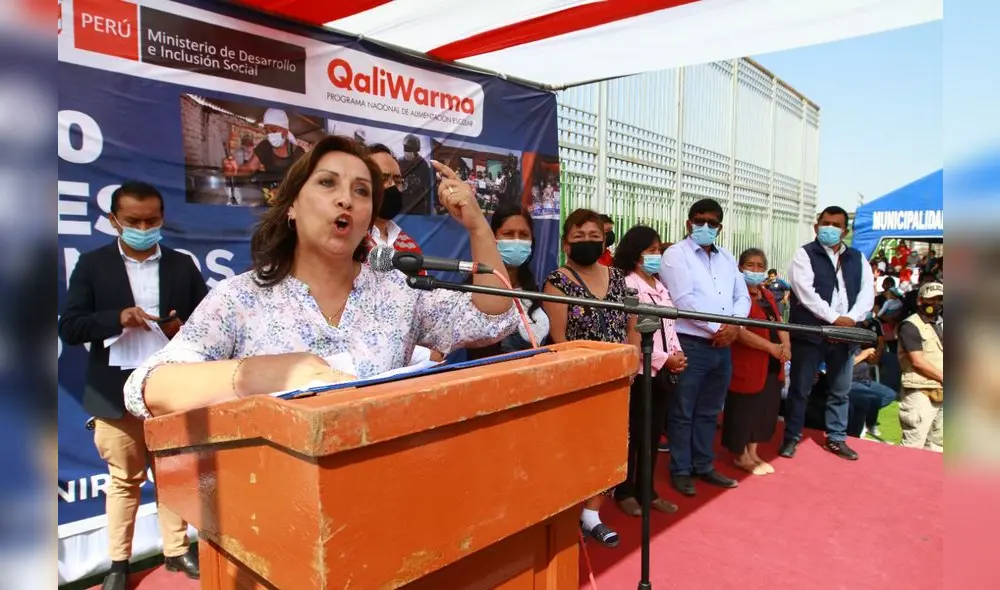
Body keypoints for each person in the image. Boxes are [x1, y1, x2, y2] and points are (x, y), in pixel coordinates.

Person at [122, 136, 517, 421]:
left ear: (367, 220)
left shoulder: (397, 292)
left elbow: (490, 316)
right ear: (292, 205)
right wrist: (258, 375)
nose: (346, 199)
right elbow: (148, 387)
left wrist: (478, 228)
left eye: (362, 191)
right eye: (328, 183)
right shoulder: (239, 299)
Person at [58, 181, 208, 590]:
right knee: (124, 480)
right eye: (133, 221)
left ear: (162, 218)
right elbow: (69, 327)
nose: (144, 227)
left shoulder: (181, 265)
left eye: (152, 220)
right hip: (113, 391)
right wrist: (115, 318)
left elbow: (210, 325)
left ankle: (177, 551)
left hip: (170, 387)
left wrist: (183, 329)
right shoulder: (92, 266)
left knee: (174, 474)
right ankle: (119, 564)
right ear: (113, 221)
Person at [542, 208, 630, 548]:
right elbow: (558, 337)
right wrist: (583, 375)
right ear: (566, 243)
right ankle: (567, 512)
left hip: (617, 378)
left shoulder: (619, 278)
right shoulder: (558, 281)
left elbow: (632, 323)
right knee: (576, 445)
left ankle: (592, 515)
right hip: (579, 382)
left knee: (611, 444)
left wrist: (631, 360)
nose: (588, 242)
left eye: (595, 236)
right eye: (579, 237)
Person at [659, 198, 750, 496]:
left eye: (712, 223)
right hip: (692, 342)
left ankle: (703, 465)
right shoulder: (676, 254)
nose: (705, 227)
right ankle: (681, 469)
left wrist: (734, 326)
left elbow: (742, 296)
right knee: (683, 410)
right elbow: (684, 300)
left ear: (720, 228)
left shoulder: (726, 258)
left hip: (722, 346)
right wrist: (719, 329)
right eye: (699, 221)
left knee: (710, 410)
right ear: (688, 223)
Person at [781, 206, 875, 461]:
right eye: (826, 223)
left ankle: (836, 438)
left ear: (845, 230)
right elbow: (804, 292)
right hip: (812, 333)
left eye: (836, 224)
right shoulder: (804, 254)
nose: (830, 228)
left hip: (845, 334)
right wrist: (835, 319)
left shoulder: (857, 258)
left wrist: (851, 320)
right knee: (800, 389)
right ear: (816, 226)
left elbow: (867, 293)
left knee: (840, 390)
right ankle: (791, 437)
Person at [611, 225, 685, 517]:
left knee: (654, 434)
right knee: (636, 434)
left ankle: (647, 490)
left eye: (658, 251)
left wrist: (677, 354)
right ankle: (626, 490)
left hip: (664, 369)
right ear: (636, 253)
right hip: (642, 369)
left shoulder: (659, 285)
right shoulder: (629, 284)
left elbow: (670, 326)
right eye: (651, 251)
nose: (657, 256)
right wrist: (663, 358)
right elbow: (634, 332)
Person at [366, 143, 442, 365]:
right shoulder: (348, 242)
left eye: (398, 181)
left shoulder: (408, 244)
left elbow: (422, 309)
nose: (392, 187)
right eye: (383, 178)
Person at [722, 249, 790, 475]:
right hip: (749, 361)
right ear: (740, 267)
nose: (756, 270)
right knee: (744, 410)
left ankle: (753, 452)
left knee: (765, 409)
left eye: (760, 266)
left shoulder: (767, 294)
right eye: (750, 265)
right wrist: (771, 347)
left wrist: (785, 346)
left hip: (772, 364)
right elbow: (738, 331)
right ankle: (741, 455)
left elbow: (780, 322)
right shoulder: (737, 295)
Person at [466, 204, 550, 359]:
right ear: (493, 238)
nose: (517, 241)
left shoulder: (533, 288)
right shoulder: (476, 291)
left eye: (524, 234)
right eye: (508, 234)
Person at [897, 282, 944, 451]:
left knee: (938, 446)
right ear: (920, 300)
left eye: (940, 299)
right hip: (920, 392)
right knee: (913, 445)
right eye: (931, 299)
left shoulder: (942, 324)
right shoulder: (910, 325)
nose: (936, 304)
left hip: (942, 391)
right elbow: (918, 361)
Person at [222, 108, 305, 179]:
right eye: (266, 131)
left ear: (285, 131)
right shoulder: (265, 147)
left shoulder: (298, 153)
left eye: (273, 130)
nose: (270, 135)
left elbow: (303, 180)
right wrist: (235, 170)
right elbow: (250, 168)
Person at [848, 347, 896, 440]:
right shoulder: (844, 346)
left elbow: (872, 363)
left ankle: (866, 419)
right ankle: (863, 423)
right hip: (851, 381)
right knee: (870, 398)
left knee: (889, 394)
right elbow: (847, 364)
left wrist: (871, 357)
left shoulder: (858, 346)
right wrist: (864, 355)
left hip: (865, 380)